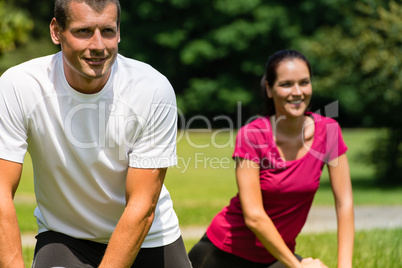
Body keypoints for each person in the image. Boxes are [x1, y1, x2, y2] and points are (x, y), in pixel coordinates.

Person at [0, 0, 192, 267]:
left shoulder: (152, 89)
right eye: (83, 31)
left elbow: (142, 206)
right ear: (56, 31)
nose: (99, 45)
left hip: (149, 238)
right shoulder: (18, 86)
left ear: (119, 31)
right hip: (66, 237)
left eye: (108, 31)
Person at [188, 49, 354, 268]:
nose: (297, 92)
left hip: (274, 256)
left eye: (304, 82)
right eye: (286, 84)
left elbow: (344, 203)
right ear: (269, 88)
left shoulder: (329, 131)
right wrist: (298, 267)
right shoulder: (252, 136)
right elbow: (254, 216)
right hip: (223, 253)